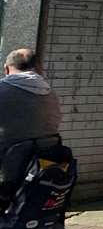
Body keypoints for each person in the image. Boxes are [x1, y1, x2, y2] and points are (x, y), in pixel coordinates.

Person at [0, 47, 63, 201]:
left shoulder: (3, 89)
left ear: (6, 69)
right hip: (42, 167)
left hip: (7, 170)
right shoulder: (49, 92)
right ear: (35, 68)